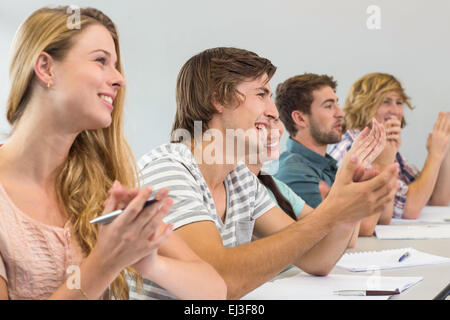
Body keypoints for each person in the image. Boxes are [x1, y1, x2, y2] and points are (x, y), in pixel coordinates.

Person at [134, 47, 399, 300]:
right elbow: (220, 279)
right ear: (217, 99)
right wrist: (331, 212)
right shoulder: (167, 169)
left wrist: (345, 208)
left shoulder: (240, 179)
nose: (273, 112)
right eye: (261, 94)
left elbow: (317, 259)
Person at [0, 6, 226, 300]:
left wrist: (149, 262)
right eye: (100, 61)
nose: (120, 79)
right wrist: (104, 263)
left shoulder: (101, 182)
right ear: (46, 67)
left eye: (116, 64)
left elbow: (214, 290)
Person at [274, 73, 386, 236]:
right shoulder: (294, 171)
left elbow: (382, 217)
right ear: (300, 118)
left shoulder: (325, 164)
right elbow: (359, 229)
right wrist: (381, 163)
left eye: (337, 104)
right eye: (328, 106)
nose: (340, 113)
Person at [329, 72, 450, 220]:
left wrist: (444, 148)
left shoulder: (386, 147)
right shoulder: (353, 147)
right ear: (363, 104)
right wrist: (434, 155)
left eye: (399, 103)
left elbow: (436, 200)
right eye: (385, 101)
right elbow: (410, 208)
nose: (395, 111)